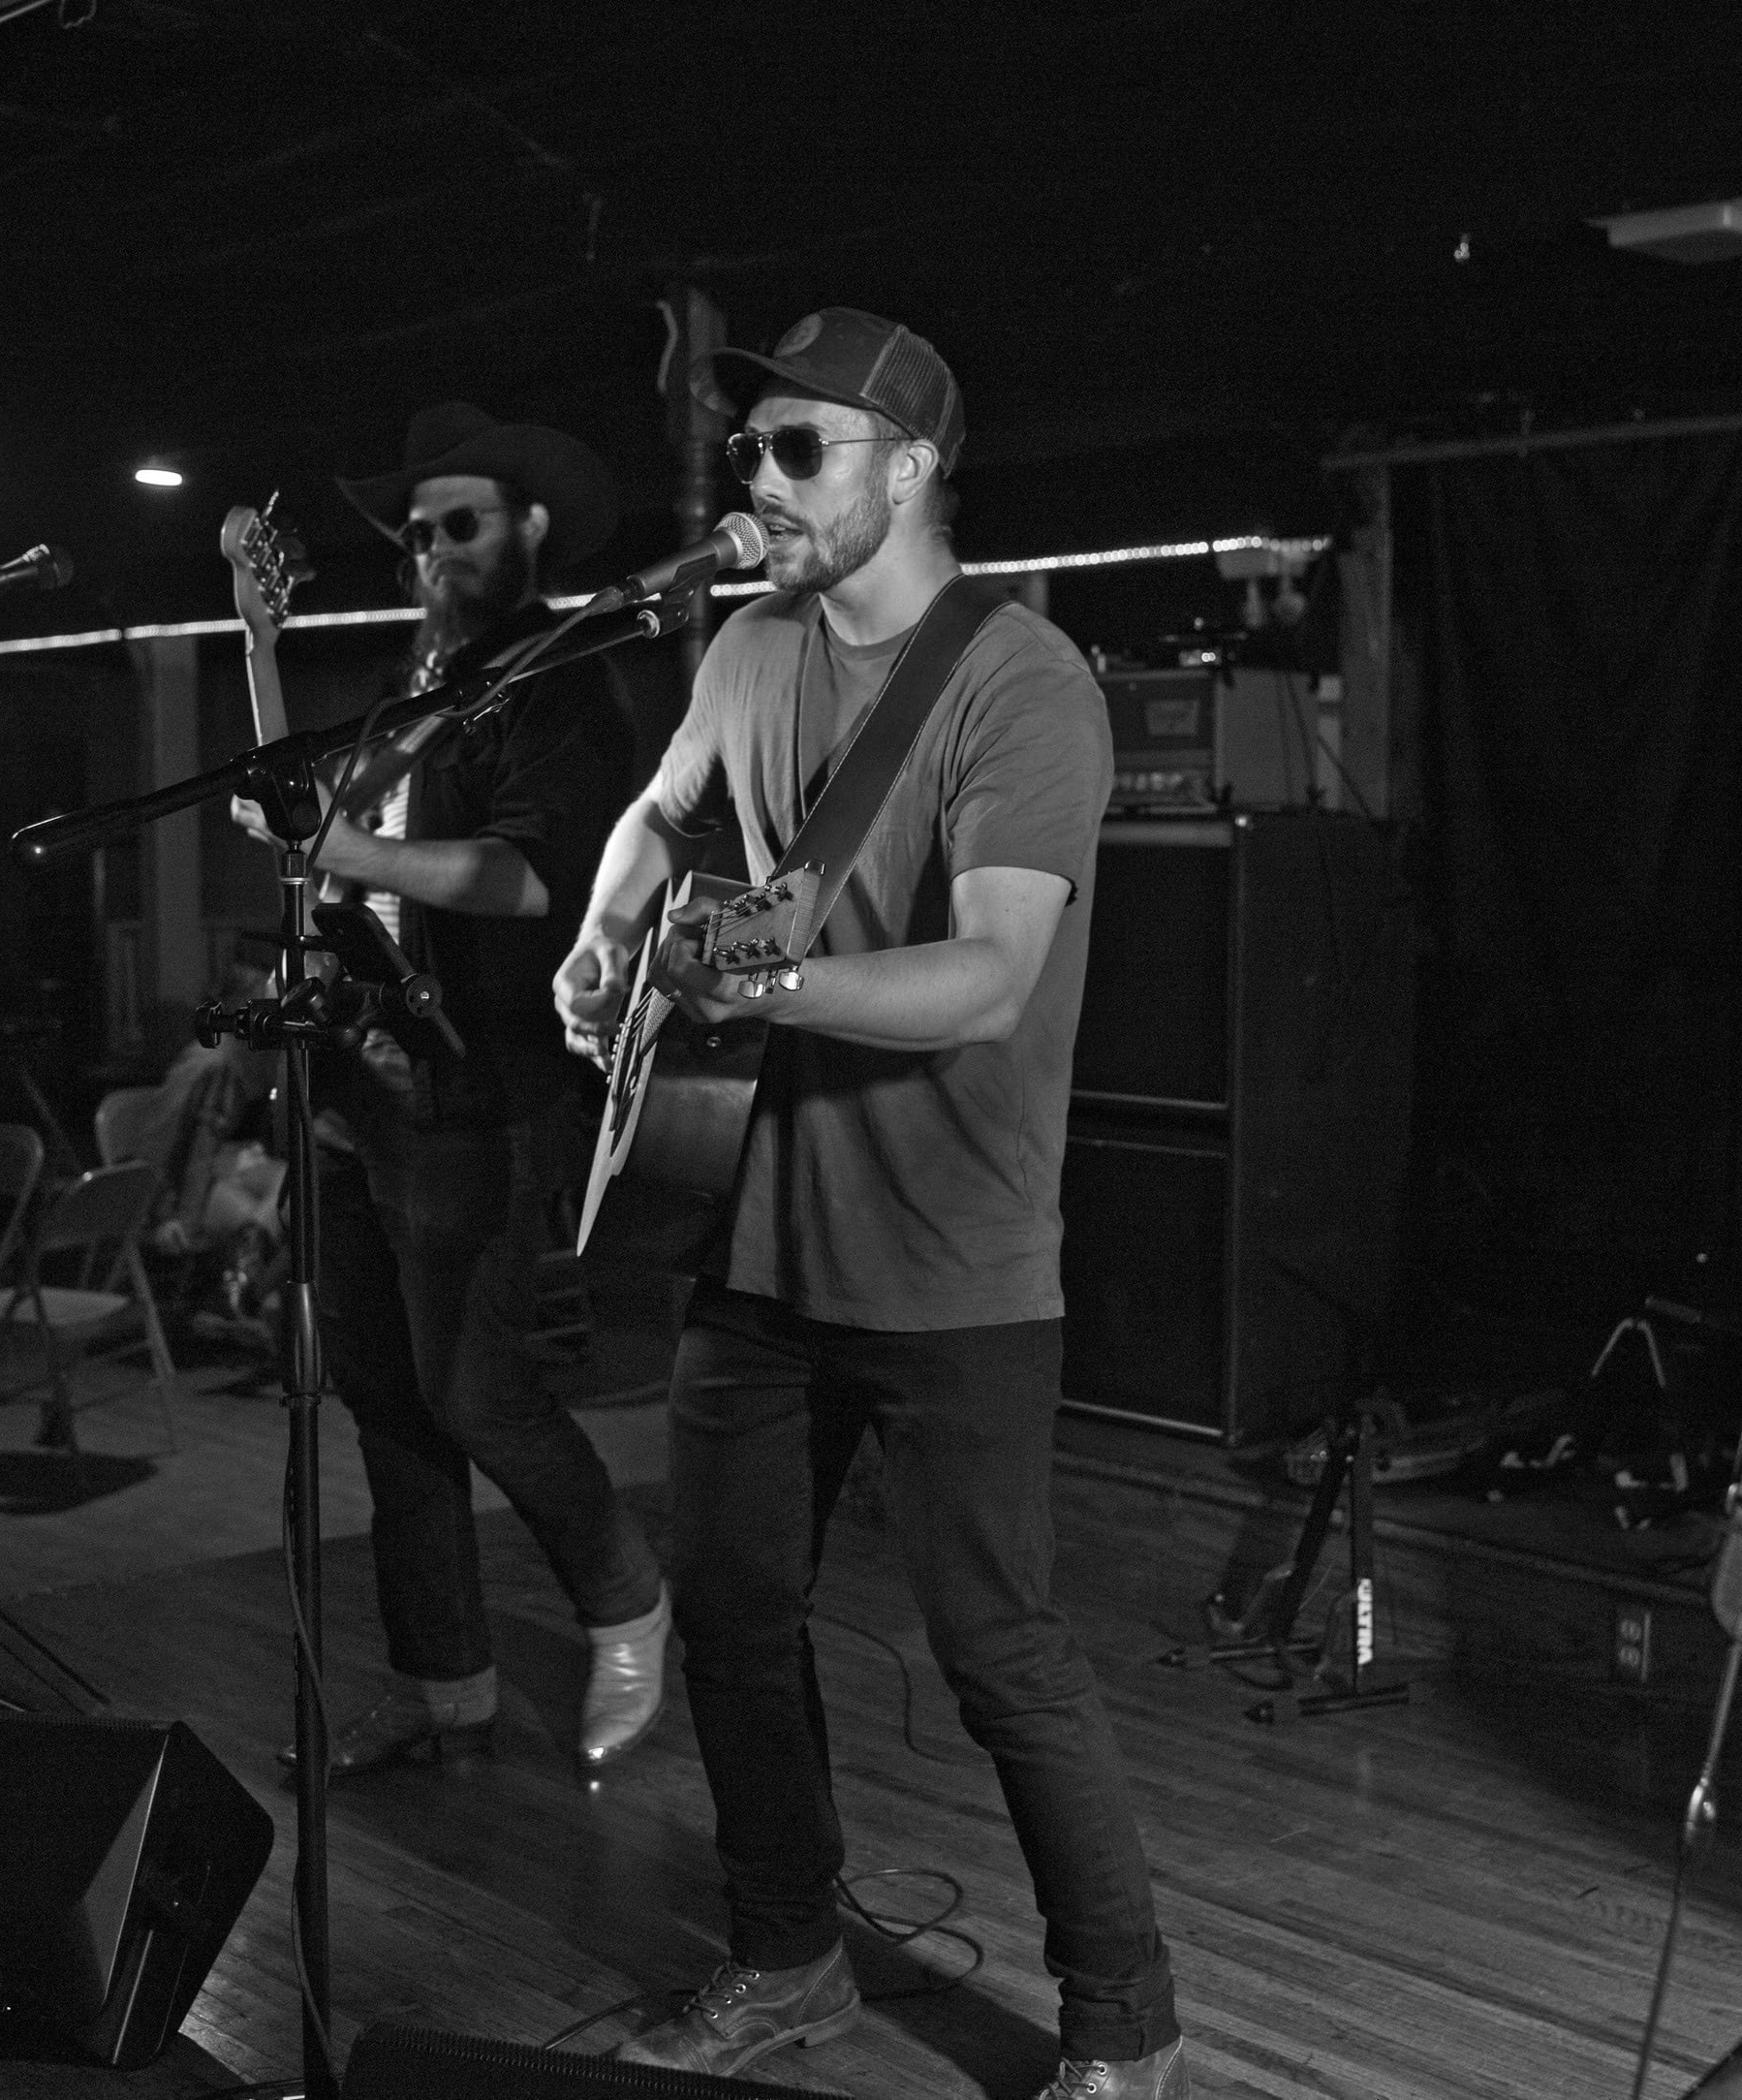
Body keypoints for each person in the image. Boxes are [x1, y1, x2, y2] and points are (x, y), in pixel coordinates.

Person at [552, 310, 1186, 2100]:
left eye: (797, 449)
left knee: (999, 1656)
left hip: (953, 1257)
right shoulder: (749, 648)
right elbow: (655, 817)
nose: (759, 481)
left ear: (908, 469)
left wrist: (750, 986)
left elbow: (987, 978)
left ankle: (1125, 2027)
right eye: (746, 450)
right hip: (757, 1239)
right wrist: (606, 936)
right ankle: (787, 1956)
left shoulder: (1017, 677)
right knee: (732, 1617)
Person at [231, 402, 668, 1777]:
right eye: (417, 533)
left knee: (479, 1393)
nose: (431, 549)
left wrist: (352, 852)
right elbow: (304, 817)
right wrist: (258, 645)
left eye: (458, 523)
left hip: (481, 1086)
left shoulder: (561, 678)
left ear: (529, 527)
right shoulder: (415, 692)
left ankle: (626, 1603)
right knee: (386, 1402)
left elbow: (533, 878)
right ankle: (445, 1682)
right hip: (361, 1081)